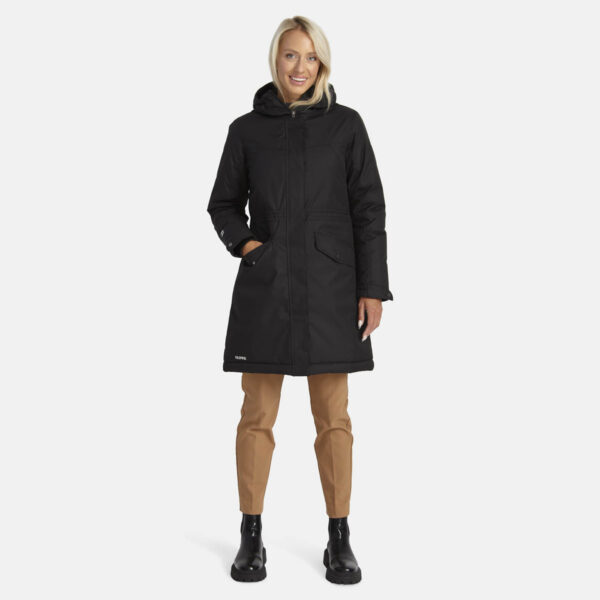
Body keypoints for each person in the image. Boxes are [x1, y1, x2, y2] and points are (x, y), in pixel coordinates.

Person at [207, 15, 393, 585]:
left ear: (323, 64)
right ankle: (251, 534)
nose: (300, 67)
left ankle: (339, 537)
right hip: (267, 289)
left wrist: (372, 288)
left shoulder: (346, 126)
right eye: (291, 55)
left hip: (332, 293)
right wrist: (250, 247)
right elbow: (222, 204)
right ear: (276, 59)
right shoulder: (246, 130)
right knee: (256, 417)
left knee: (334, 419)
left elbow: (369, 208)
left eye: (311, 57)